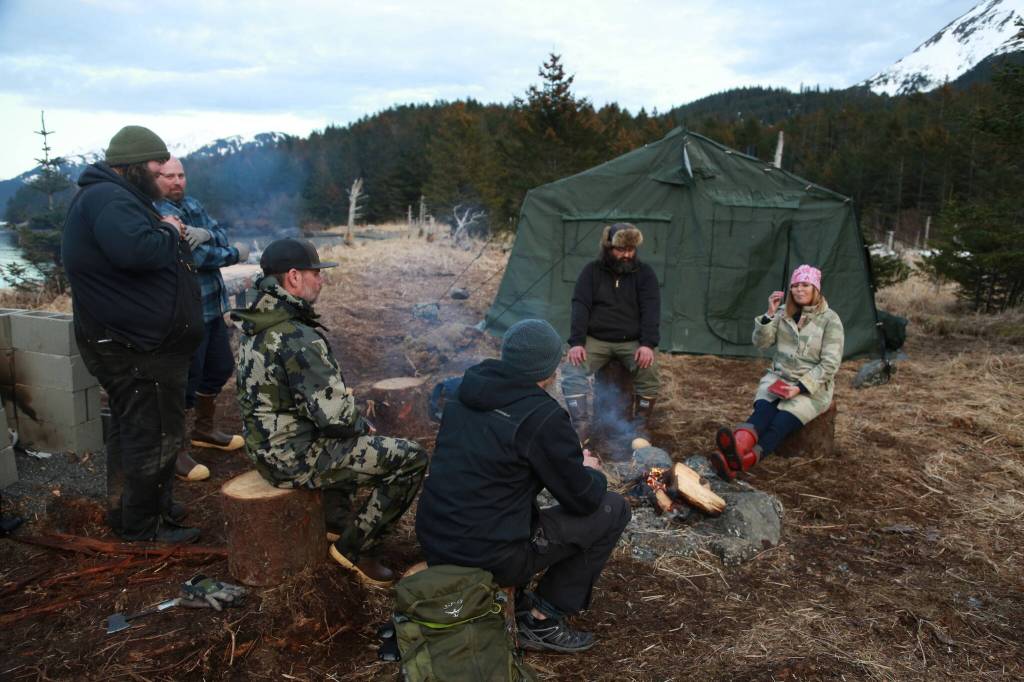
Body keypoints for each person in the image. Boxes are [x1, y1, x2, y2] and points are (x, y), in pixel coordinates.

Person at [416, 319, 631, 654]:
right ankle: (543, 617)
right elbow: (583, 499)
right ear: (548, 370)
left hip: (436, 539)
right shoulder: (542, 415)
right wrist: (589, 470)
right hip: (489, 555)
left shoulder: (463, 390)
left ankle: (528, 606)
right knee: (612, 508)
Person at [231, 238, 427, 586]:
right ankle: (355, 549)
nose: (320, 281)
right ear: (293, 277)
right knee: (410, 458)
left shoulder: (257, 319)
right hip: (291, 457)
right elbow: (335, 417)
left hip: (265, 447)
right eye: (315, 273)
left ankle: (336, 522)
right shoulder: (295, 335)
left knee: (347, 438)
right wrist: (361, 423)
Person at [62, 126, 204, 543]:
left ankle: (136, 509)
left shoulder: (112, 197)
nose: (163, 171)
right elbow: (137, 252)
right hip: (139, 348)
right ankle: (144, 529)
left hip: (133, 342)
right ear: (135, 166)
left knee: (136, 429)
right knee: (154, 436)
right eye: (158, 165)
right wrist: (170, 230)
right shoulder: (109, 198)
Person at [155, 157, 250, 482]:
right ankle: (176, 450)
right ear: (156, 178)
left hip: (212, 307)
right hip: (185, 312)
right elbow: (194, 256)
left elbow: (220, 233)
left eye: (181, 175)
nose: (177, 181)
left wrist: (207, 233)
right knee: (186, 382)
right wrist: (236, 254)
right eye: (169, 176)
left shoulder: (193, 203)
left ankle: (205, 429)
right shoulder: (157, 211)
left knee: (220, 368)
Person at [711, 265, 845, 479]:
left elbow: (830, 364)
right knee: (761, 414)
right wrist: (770, 314)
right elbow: (761, 343)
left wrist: (799, 388)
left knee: (780, 424)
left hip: (812, 388)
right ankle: (733, 451)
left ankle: (741, 462)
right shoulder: (783, 313)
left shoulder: (830, 320)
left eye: (805, 285)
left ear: (815, 288)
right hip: (779, 379)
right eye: (795, 285)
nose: (799, 290)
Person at [560, 222, 661, 442]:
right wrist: (577, 342)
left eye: (631, 250)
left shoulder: (645, 274)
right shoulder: (592, 272)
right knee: (572, 369)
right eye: (621, 249)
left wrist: (648, 344)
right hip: (596, 340)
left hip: (632, 342)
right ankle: (581, 427)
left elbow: (651, 309)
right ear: (608, 247)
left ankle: (640, 428)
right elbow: (580, 305)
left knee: (650, 370)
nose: (627, 255)